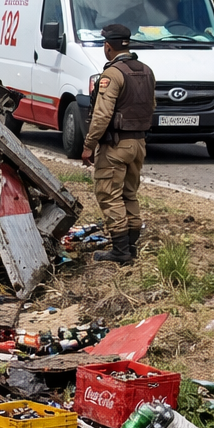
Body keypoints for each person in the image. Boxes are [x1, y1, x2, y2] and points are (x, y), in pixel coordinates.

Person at [81, 23, 156, 264]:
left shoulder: (112, 74)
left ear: (108, 46)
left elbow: (102, 115)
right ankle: (131, 247)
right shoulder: (147, 71)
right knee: (129, 194)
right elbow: (152, 106)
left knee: (109, 195)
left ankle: (120, 251)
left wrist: (89, 145)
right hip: (139, 143)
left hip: (115, 145)